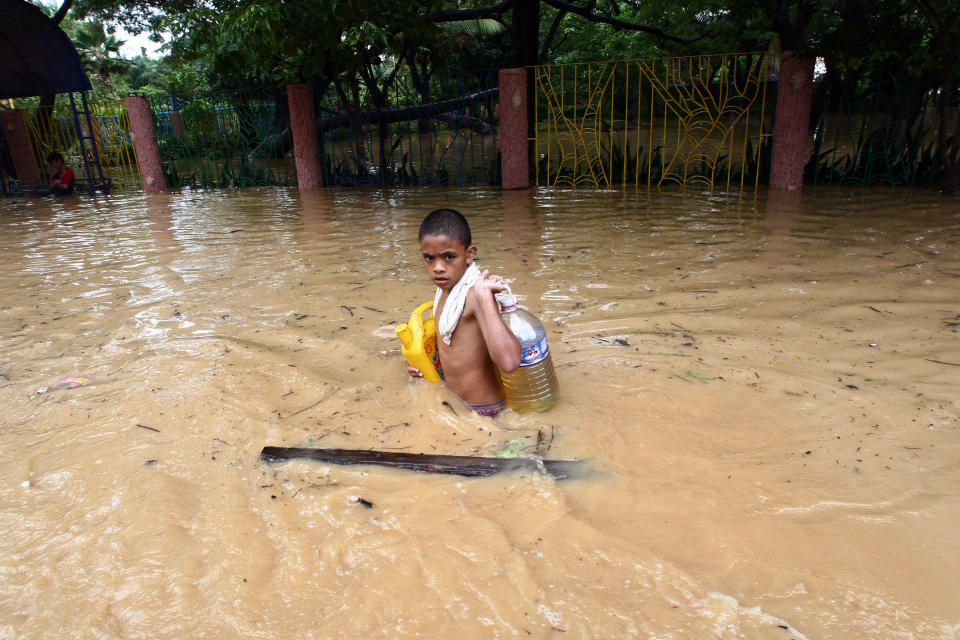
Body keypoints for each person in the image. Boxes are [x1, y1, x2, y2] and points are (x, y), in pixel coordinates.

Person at [407, 209, 521, 417]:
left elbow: (509, 362)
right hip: (455, 404)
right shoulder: (444, 291)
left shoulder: (474, 295)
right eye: (429, 258)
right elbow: (450, 347)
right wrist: (419, 363)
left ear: (469, 254)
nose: (438, 268)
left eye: (449, 257)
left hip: (484, 411)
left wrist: (485, 297)